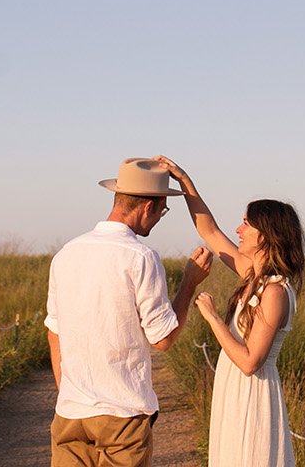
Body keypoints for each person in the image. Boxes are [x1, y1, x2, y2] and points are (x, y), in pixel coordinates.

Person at [46, 157, 214, 467]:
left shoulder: (66, 254)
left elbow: (54, 330)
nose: (159, 218)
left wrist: (68, 392)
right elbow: (163, 339)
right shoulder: (141, 256)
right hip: (122, 415)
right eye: (162, 211)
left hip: (70, 413)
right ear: (149, 207)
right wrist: (189, 283)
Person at [153, 156, 305, 467]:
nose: (238, 229)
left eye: (246, 223)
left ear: (266, 234)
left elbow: (250, 363)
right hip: (233, 390)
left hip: (253, 394)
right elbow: (209, 230)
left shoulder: (275, 292)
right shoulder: (251, 274)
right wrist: (184, 181)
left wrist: (211, 317)